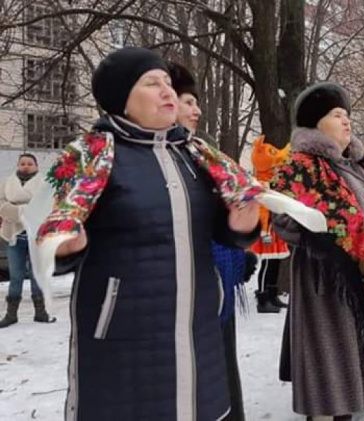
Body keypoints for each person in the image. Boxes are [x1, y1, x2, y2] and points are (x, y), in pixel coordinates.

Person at [33, 47, 261, 420]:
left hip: (198, 330)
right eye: (152, 84)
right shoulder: (91, 157)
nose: (168, 92)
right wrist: (65, 247)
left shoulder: (196, 156)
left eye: (168, 84)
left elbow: (223, 233)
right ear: (122, 98)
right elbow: (52, 240)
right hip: (124, 335)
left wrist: (242, 223)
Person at [271, 82, 364, 420]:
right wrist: (319, 234)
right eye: (337, 115)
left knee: (350, 373)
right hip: (324, 287)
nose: (347, 121)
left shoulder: (356, 168)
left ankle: (344, 410)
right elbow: (281, 218)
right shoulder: (300, 166)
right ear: (317, 123)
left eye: (347, 115)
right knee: (327, 372)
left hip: (363, 281)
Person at [169, 60, 248, 421]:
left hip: (220, 282)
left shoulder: (205, 151)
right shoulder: (152, 159)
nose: (196, 109)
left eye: (196, 101)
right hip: (183, 292)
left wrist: (242, 246)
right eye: (187, 101)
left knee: (222, 372)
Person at [0, 153, 55, 327]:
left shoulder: (45, 184)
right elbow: (1, 204)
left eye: (30, 163)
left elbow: (47, 205)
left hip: (36, 236)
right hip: (14, 235)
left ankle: (40, 312)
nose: (26, 166)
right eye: (22, 163)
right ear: (18, 165)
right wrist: (22, 211)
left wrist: (18, 208)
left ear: (36, 166)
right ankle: (11, 314)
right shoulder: (7, 183)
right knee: (15, 276)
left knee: (36, 275)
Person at [248, 135, 292, 313]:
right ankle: (263, 297)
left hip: (273, 228)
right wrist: (264, 231)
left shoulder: (270, 181)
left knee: (275, 263)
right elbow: (262, 210)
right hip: (267, 229)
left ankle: (272, 294)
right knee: (267, 264)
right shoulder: (261, 184)